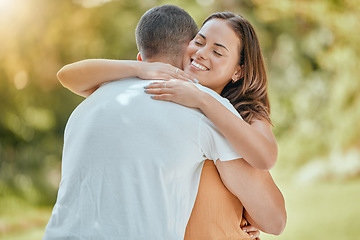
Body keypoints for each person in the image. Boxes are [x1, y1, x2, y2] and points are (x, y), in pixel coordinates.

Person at [45, 5, 286, 240]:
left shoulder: (101, 96)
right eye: (199, 42)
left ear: (239, 71)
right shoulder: (192, 107)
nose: (202, 53)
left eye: (218, 51)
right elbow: (272, 219)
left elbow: (265, 164)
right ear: (186, 48)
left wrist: (201, 98)